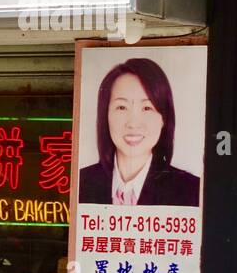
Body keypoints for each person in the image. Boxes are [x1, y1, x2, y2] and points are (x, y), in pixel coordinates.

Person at [77, 57, 200, 206]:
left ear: (164, 119)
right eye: (122, 107)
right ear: (105, 115)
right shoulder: (80, 183)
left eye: (147, 108)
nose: (133, 124)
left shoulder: (191, 191)